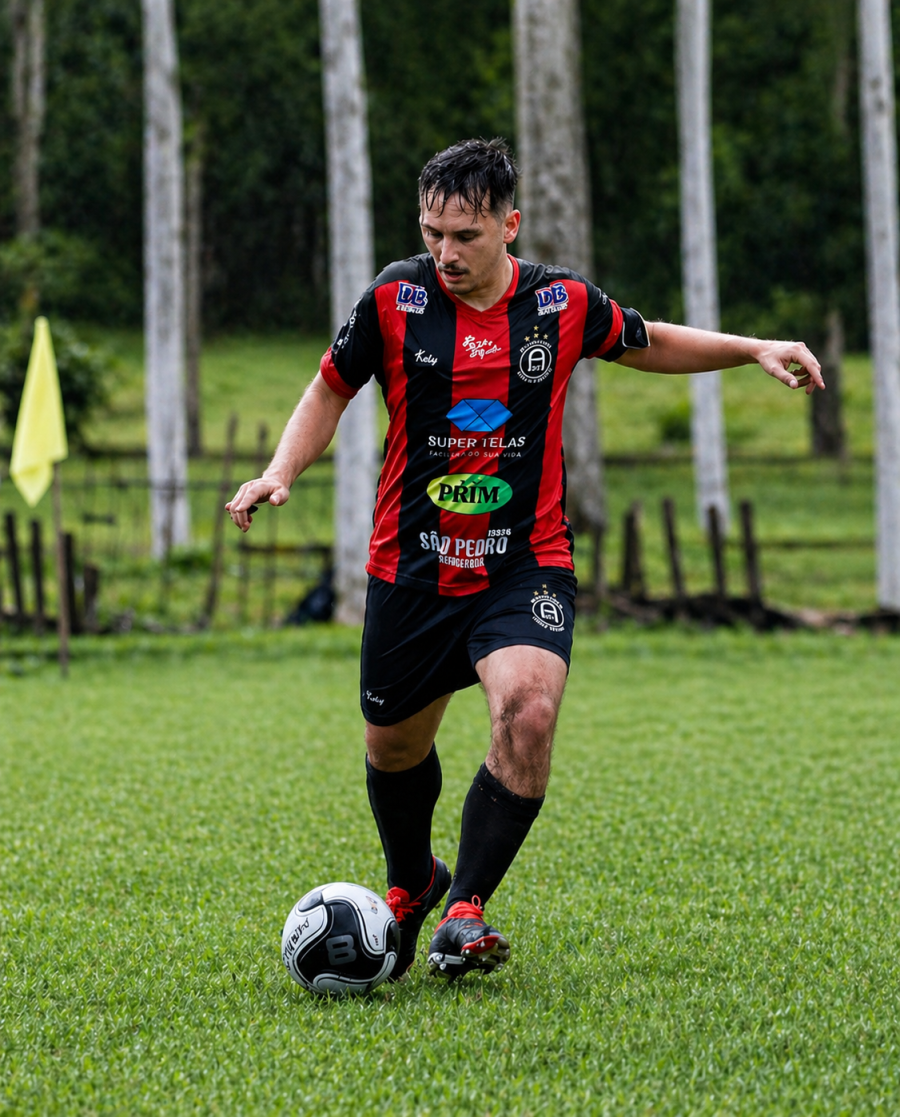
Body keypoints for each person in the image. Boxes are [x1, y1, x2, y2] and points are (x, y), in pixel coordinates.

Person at [227, 138, 824, 983]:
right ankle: (412, 882)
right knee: (393, 749)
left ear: (509, 224)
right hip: (414, 566)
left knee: (530, 713)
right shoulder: (395, 299)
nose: (446, 253)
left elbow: (648, 339)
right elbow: (330, 386)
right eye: (433, 232)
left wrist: (752, 347)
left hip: (524, 563)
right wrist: (278, 473)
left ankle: (463, 909)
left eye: (465, 235)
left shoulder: (558, 305)